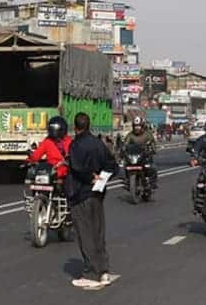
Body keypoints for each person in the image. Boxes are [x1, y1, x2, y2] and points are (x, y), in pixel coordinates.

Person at [66, 112, 119, 290]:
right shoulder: (99, 144)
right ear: (89, 125)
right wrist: (101, 179)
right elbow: (113, 166)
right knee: (98, 232)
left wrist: (90, 177)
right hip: (98, 195)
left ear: (75, 127)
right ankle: (103, 271)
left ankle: (91, 272)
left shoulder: (76, 145)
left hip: (81, 195)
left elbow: (76, 168)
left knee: (85, 234)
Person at [123, 116, 158, 188]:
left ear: (142, 126)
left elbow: (153, 143)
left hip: (145, 156)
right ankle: (128, 180)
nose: (137, 128)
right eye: (135, 126)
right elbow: (125, 144)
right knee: (126, 166)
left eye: (138, 126)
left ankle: (152, 183)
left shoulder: (147, 134)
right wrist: (123, 150)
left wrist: (153, 150)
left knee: (153, 168)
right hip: (134, 156)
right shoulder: (130, 135)